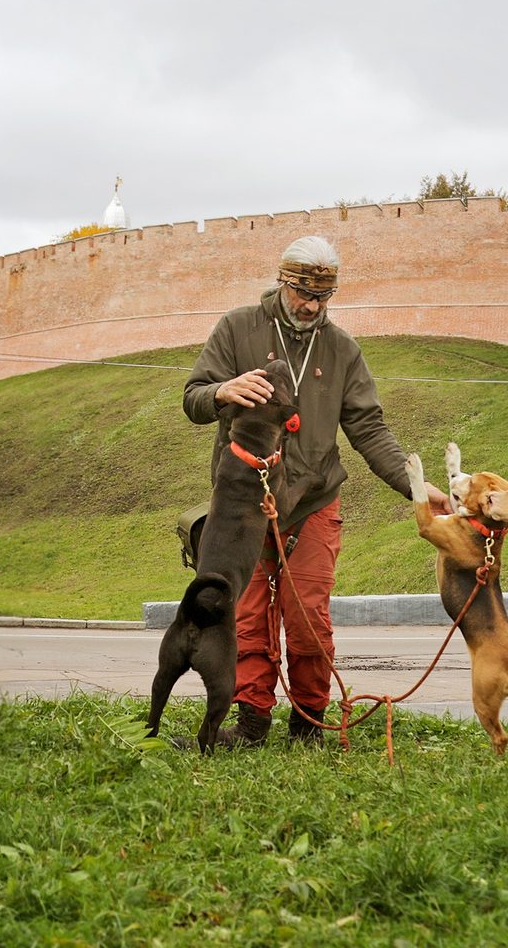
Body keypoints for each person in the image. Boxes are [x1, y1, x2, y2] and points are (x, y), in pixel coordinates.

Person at [183, 235, 450, 747]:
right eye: (303, 294)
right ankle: (251, 723)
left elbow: (369, 429)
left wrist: (417, 487)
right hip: (243, 506)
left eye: (323, 298)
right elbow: (193, 398)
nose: (312, 307)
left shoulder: (342, 349)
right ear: (283, 282)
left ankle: (308, 725)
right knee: (246, 616)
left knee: (308, 620)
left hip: (313, 502)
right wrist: (222, 391)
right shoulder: (237, 327)